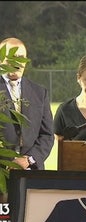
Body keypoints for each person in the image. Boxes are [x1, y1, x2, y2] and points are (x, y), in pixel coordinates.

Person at [0, 37, 54, 170]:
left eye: (21, 57)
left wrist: (28, 160)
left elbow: (47, 136)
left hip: (31, 173)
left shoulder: (40, 93)